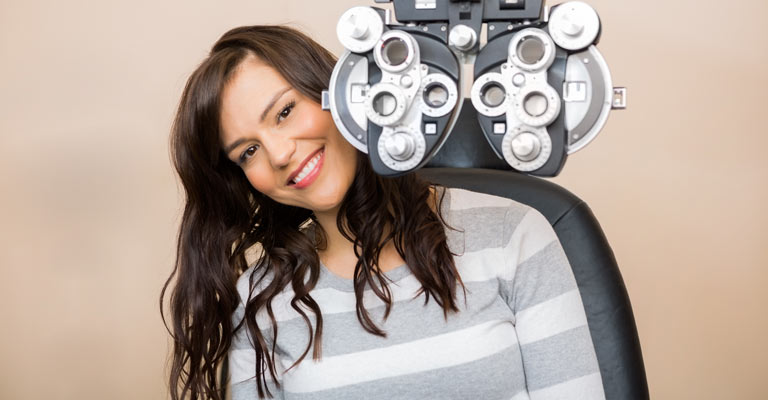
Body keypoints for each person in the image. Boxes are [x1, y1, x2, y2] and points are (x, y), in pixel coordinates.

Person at [162, 25, 606, 400]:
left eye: (284, 111)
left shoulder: (514, 235)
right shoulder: (259, 301)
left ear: (339, 92)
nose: (278, 154)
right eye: (249, 151)